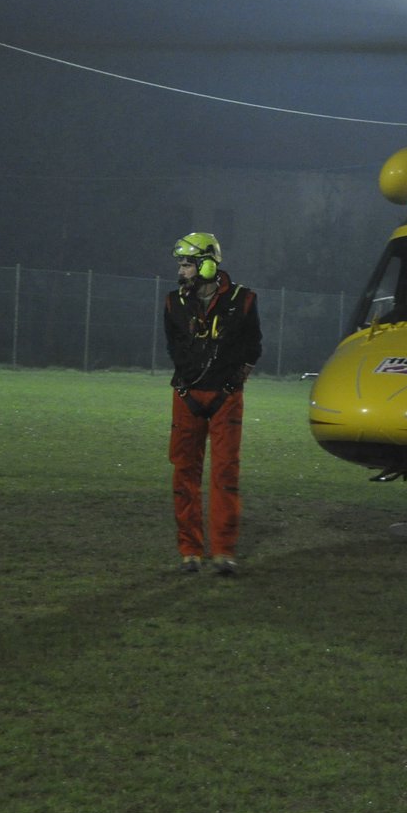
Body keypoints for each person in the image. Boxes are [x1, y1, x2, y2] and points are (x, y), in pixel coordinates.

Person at [163, 232, 262, 575]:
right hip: (187, 396)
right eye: (181, 264)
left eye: (187, 264)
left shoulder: (243, 300)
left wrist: (234, 383)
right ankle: (190, 551)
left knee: (225, 474)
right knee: (184, 473)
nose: (182, 271)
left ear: (208, 263)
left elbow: (253, 348)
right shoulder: (173, 302)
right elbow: (174, 349)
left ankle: (223, 551)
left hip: (225, 398)